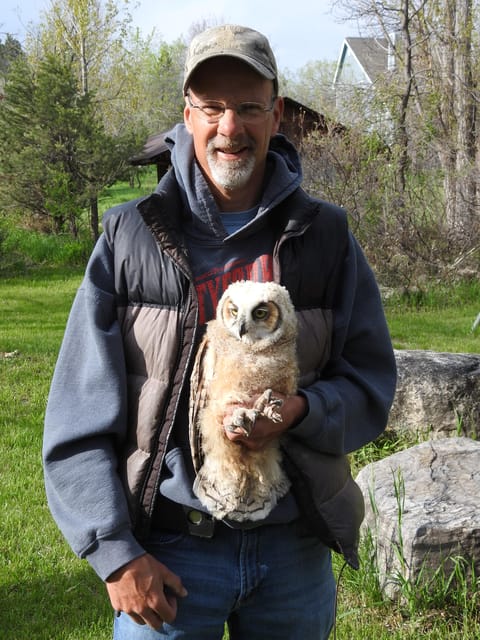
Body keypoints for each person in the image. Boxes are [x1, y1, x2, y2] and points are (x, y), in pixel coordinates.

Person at [43, 24, 397, 640]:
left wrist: (301, 411)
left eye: (249, 107)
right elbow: (77, 414)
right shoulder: (131, 239)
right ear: (188, 112)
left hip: (293, 551)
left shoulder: (327, 237)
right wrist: (115, 552)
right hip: (172, 549)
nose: (230, 127)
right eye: (212, 108)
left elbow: (370, 383)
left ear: (276, 114)